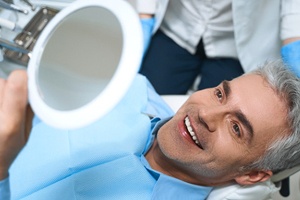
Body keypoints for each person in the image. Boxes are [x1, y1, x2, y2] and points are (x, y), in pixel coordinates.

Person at [1, 60, 300, 199]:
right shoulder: (128, 88)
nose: (206, 113)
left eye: (236, 128)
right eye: (220, 94)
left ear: (252, 175)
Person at [138, 0, 300, 94]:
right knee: (144, 102)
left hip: (234, 45)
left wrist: (293, 40)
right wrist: (144, 14)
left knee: (215, 127)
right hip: (178, 26)